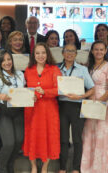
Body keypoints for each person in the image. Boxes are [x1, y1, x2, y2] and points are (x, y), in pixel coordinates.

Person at [23, 43, 61, 173]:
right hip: (32, 110)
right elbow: (25, 89)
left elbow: (59, 90)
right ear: (33, 55)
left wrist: (45, 92)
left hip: (49, 110)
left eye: (43, 52)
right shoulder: (28, 70)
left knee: (49, 137)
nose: (40, 56)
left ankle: (45, 167)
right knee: (32, 136)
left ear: (47, 54)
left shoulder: (54, 69)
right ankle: (33, 166)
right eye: (37, 53)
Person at [81, 41, 108, 173]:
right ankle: (88, 167)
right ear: (91, 51)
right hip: (89, 104)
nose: (99, 52)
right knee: (89, 134)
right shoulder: (87, 66)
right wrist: (90, 100)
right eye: (96, 49)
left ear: (105, 51)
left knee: (103, 135)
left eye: (101, 49)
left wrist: (99, 102)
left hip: (104, 105)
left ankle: (103, 168)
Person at [58, 44, 94, 173]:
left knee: (77, 139)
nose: (70, 53)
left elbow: (92, 88)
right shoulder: (57, 68)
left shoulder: (82, 69)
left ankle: (75, 168)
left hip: (77, 106)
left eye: (73, 51)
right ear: (62, 53)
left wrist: (81, 96)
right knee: (63, 139)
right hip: (61, 106)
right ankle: (62, 168)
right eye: (67, 51)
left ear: (76, 54)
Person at [0, 50, 25, 173]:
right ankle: (1, 169)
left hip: (19, 111)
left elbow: (24, 91)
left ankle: (10, 166)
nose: (7, 62)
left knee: (19, 140)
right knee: (9, 143)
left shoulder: (20, 74)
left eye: (9, 59)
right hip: (4, 112)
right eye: (3, 60)